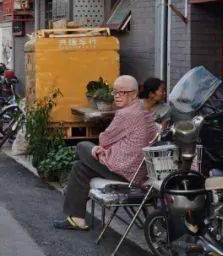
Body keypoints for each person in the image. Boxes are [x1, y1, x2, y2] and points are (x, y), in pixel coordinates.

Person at [55, 74, 161, 231]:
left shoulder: (126, 113)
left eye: (122, 92)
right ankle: (77, 219)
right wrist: (103, 148)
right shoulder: (142, 108)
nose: (117, 96)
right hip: (138, 171)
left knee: (82, 146)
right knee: (80, 167)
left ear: (133, 93)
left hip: (124, 171)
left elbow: (105, 139)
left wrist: (101, 148)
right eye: (115, 91)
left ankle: (69, 191)